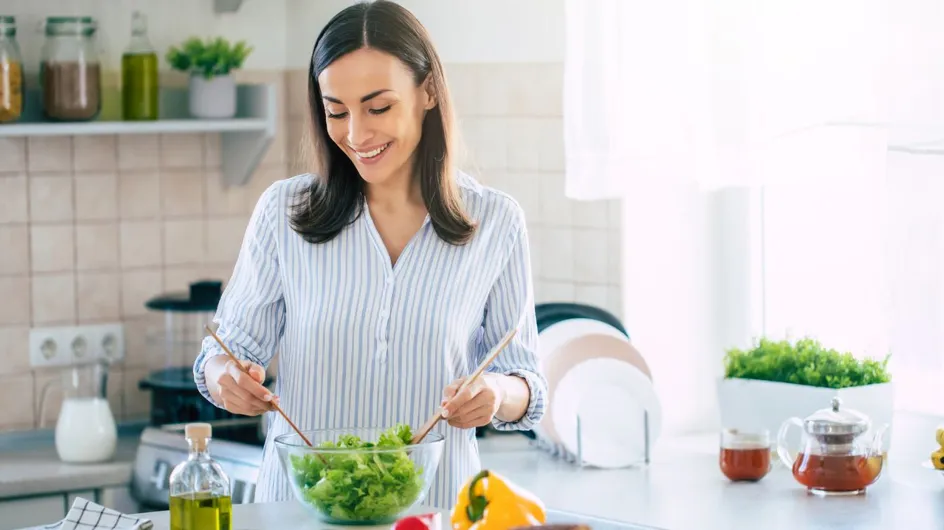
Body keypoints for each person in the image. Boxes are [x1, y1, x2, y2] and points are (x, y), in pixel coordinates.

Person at [192, 0, 547, 510]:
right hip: (302, 513)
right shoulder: (283, 212)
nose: (357, 135)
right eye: (337, 111)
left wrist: (497, 393)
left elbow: (528, 384)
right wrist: (227, 378)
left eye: (378, 107)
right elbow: (220, 354)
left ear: (427, 91)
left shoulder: (496, 223)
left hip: (435, 513)